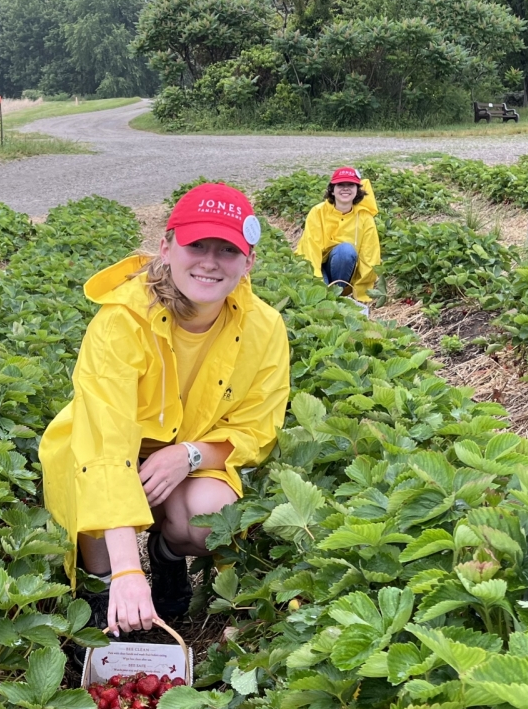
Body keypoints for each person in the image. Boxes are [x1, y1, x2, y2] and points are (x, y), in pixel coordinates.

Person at [40, 183, 291, 635]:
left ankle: (167, 556)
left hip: (185, 455)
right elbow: (104, 447)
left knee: (210, 513)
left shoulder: (264, 327)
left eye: (227, 250)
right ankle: (99, 596)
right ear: (166, 246)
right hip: (103, 454)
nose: (210, 262)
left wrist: (189, 455)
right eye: (196, 245)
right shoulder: (122, 320)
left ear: (248, 262)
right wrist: (125, 573)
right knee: (90, 492)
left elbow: (256, 430)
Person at [296, 166, 380, 302]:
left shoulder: (364, 217)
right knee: (319, 296)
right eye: (340, 184)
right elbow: (311, 250)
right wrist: (318, 284)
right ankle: (328, 296)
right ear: (332, 190)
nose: (345, 188)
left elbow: (369, 255)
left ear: (357, 190)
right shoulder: (317, 212)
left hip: (343, 272)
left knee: (345, 251)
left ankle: (336, 295)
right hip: (317, 267)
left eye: (351, 185)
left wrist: (362, 293)